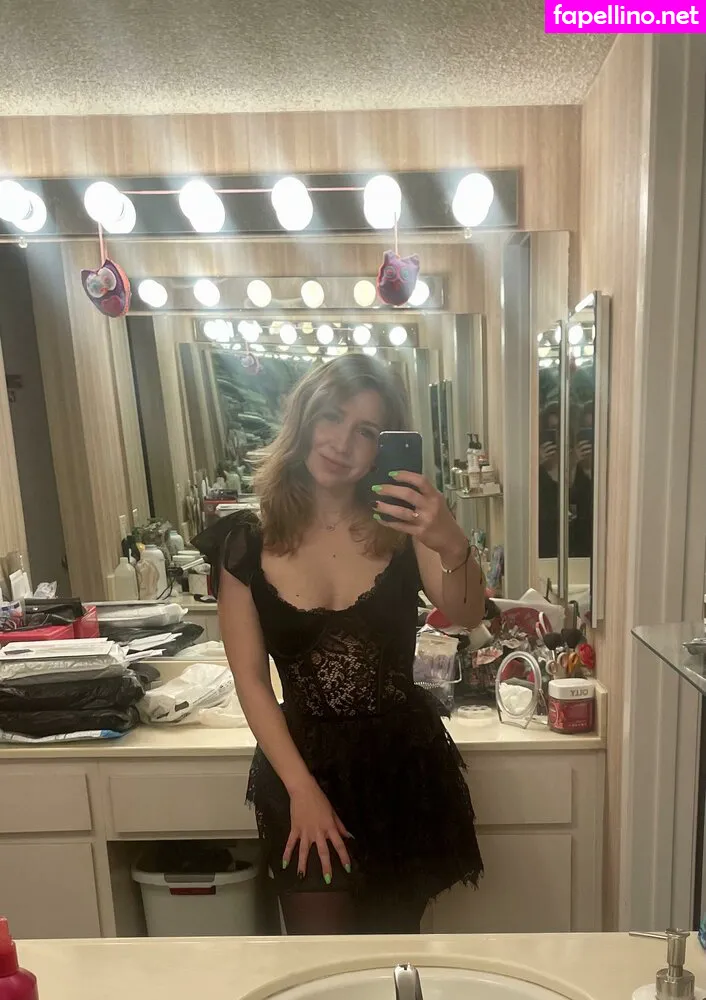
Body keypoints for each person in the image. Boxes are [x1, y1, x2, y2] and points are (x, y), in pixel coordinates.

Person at [194, 354, 484, 936]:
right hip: (300, 769)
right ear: (304, 417)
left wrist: (453, 545)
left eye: (366, 431)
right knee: (320, 958)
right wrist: (302, 791)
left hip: (401, 766)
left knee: (393, 954)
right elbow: (250, 680)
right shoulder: (244, 542)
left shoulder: (404, 526)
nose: (341, 443)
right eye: (331, 417)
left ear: (382, 447)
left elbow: (468, 613)